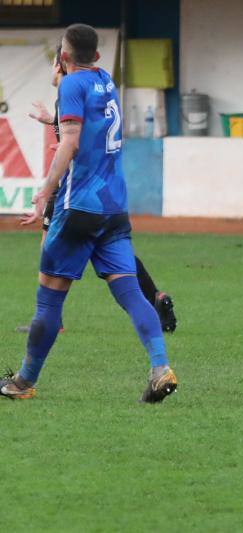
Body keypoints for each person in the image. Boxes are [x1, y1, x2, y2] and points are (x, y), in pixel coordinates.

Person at [0, 24, 177, 402]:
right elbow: (89, 121)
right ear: (96, 56)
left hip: (79, 206)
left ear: (62, 58)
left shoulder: (70, 85)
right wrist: (55, 112)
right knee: (131, 293)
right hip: (115, 208)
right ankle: (160, 367)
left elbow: (71, 143)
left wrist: (46, 189)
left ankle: (24, 382)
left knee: (49, 300)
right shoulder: (105, 80)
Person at [16, 45, 177, 334]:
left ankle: (52, 321)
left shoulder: (69, 91)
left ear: (62, 64)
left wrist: (50, 182)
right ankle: (155, 298)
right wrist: (51, 121)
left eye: (56, 62)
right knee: (116, 257)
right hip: (98, 189)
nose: (54, 68)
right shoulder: (95, 87)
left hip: (72, 189)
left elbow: (72, 143)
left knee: (51, 252)